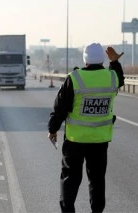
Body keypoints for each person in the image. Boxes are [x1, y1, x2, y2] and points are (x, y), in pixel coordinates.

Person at [47, 43, 124, 213]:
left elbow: (60, 108)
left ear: (85, 59)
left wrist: (52, 130)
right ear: (102, 59)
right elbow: (120, 78)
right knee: (97, 180)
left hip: (75, 140)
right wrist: (115, 62)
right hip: (100, 140)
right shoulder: (111, 77)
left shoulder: (75, 78)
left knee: (70, 180)